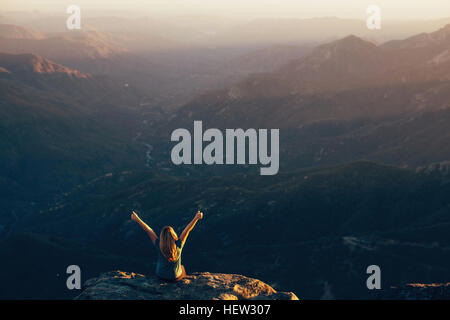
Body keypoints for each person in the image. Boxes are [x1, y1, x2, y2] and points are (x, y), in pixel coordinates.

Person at [131, 210, 203, 282]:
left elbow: (148, 229)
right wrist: (196, 218)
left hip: (161, 276)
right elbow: (187, 230)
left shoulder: (158, 244)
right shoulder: (178, 244)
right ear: (173, 235)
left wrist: (137, 218)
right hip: (175, 277)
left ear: (162, 236)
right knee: (182, 268)